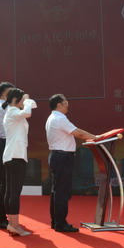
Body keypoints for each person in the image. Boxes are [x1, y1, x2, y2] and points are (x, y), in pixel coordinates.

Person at [45, 94, 96, 233]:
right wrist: (96, 137)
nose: (68, 105)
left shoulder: (51, 118)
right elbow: (78, 133)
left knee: (57, 191)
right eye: (66, 103)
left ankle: (56, 222)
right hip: (62, 157)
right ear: (59, 105)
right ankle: (61, 223)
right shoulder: (60, 118)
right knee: (62, 192)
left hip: (57, 156)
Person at [2, 88, 36, 236]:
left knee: (11, 192)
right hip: (15, 156)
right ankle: (14, 225)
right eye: (21, 100)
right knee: (13, 192)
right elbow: (28, 112)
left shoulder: (14, 112)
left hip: (13, 155)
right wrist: (26, 100)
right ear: (16, 100)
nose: (24, 102)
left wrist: (26, 99)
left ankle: (12, 224)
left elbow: (32, 106)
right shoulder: (12, 111)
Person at [0, 81, 15, 230]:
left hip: (6, 144)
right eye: (11, 92)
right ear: (4, 94)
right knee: (4, 183)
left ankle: (0, 216)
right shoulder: (4, 107)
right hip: (5, 144)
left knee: (5, 183)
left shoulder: (4, 107)